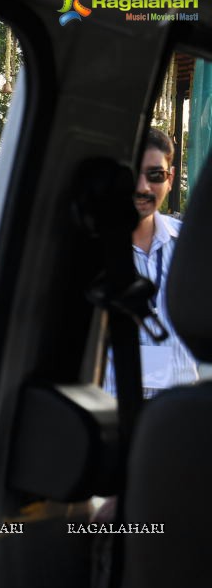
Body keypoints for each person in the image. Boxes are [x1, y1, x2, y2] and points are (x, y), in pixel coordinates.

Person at [121, 127, 199, 397]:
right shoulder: (88, 251)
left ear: (170, 178)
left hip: (178, 417)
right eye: (133, 174)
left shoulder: (190, 249)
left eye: (155, 175)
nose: (143, 187)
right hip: (113, 414)